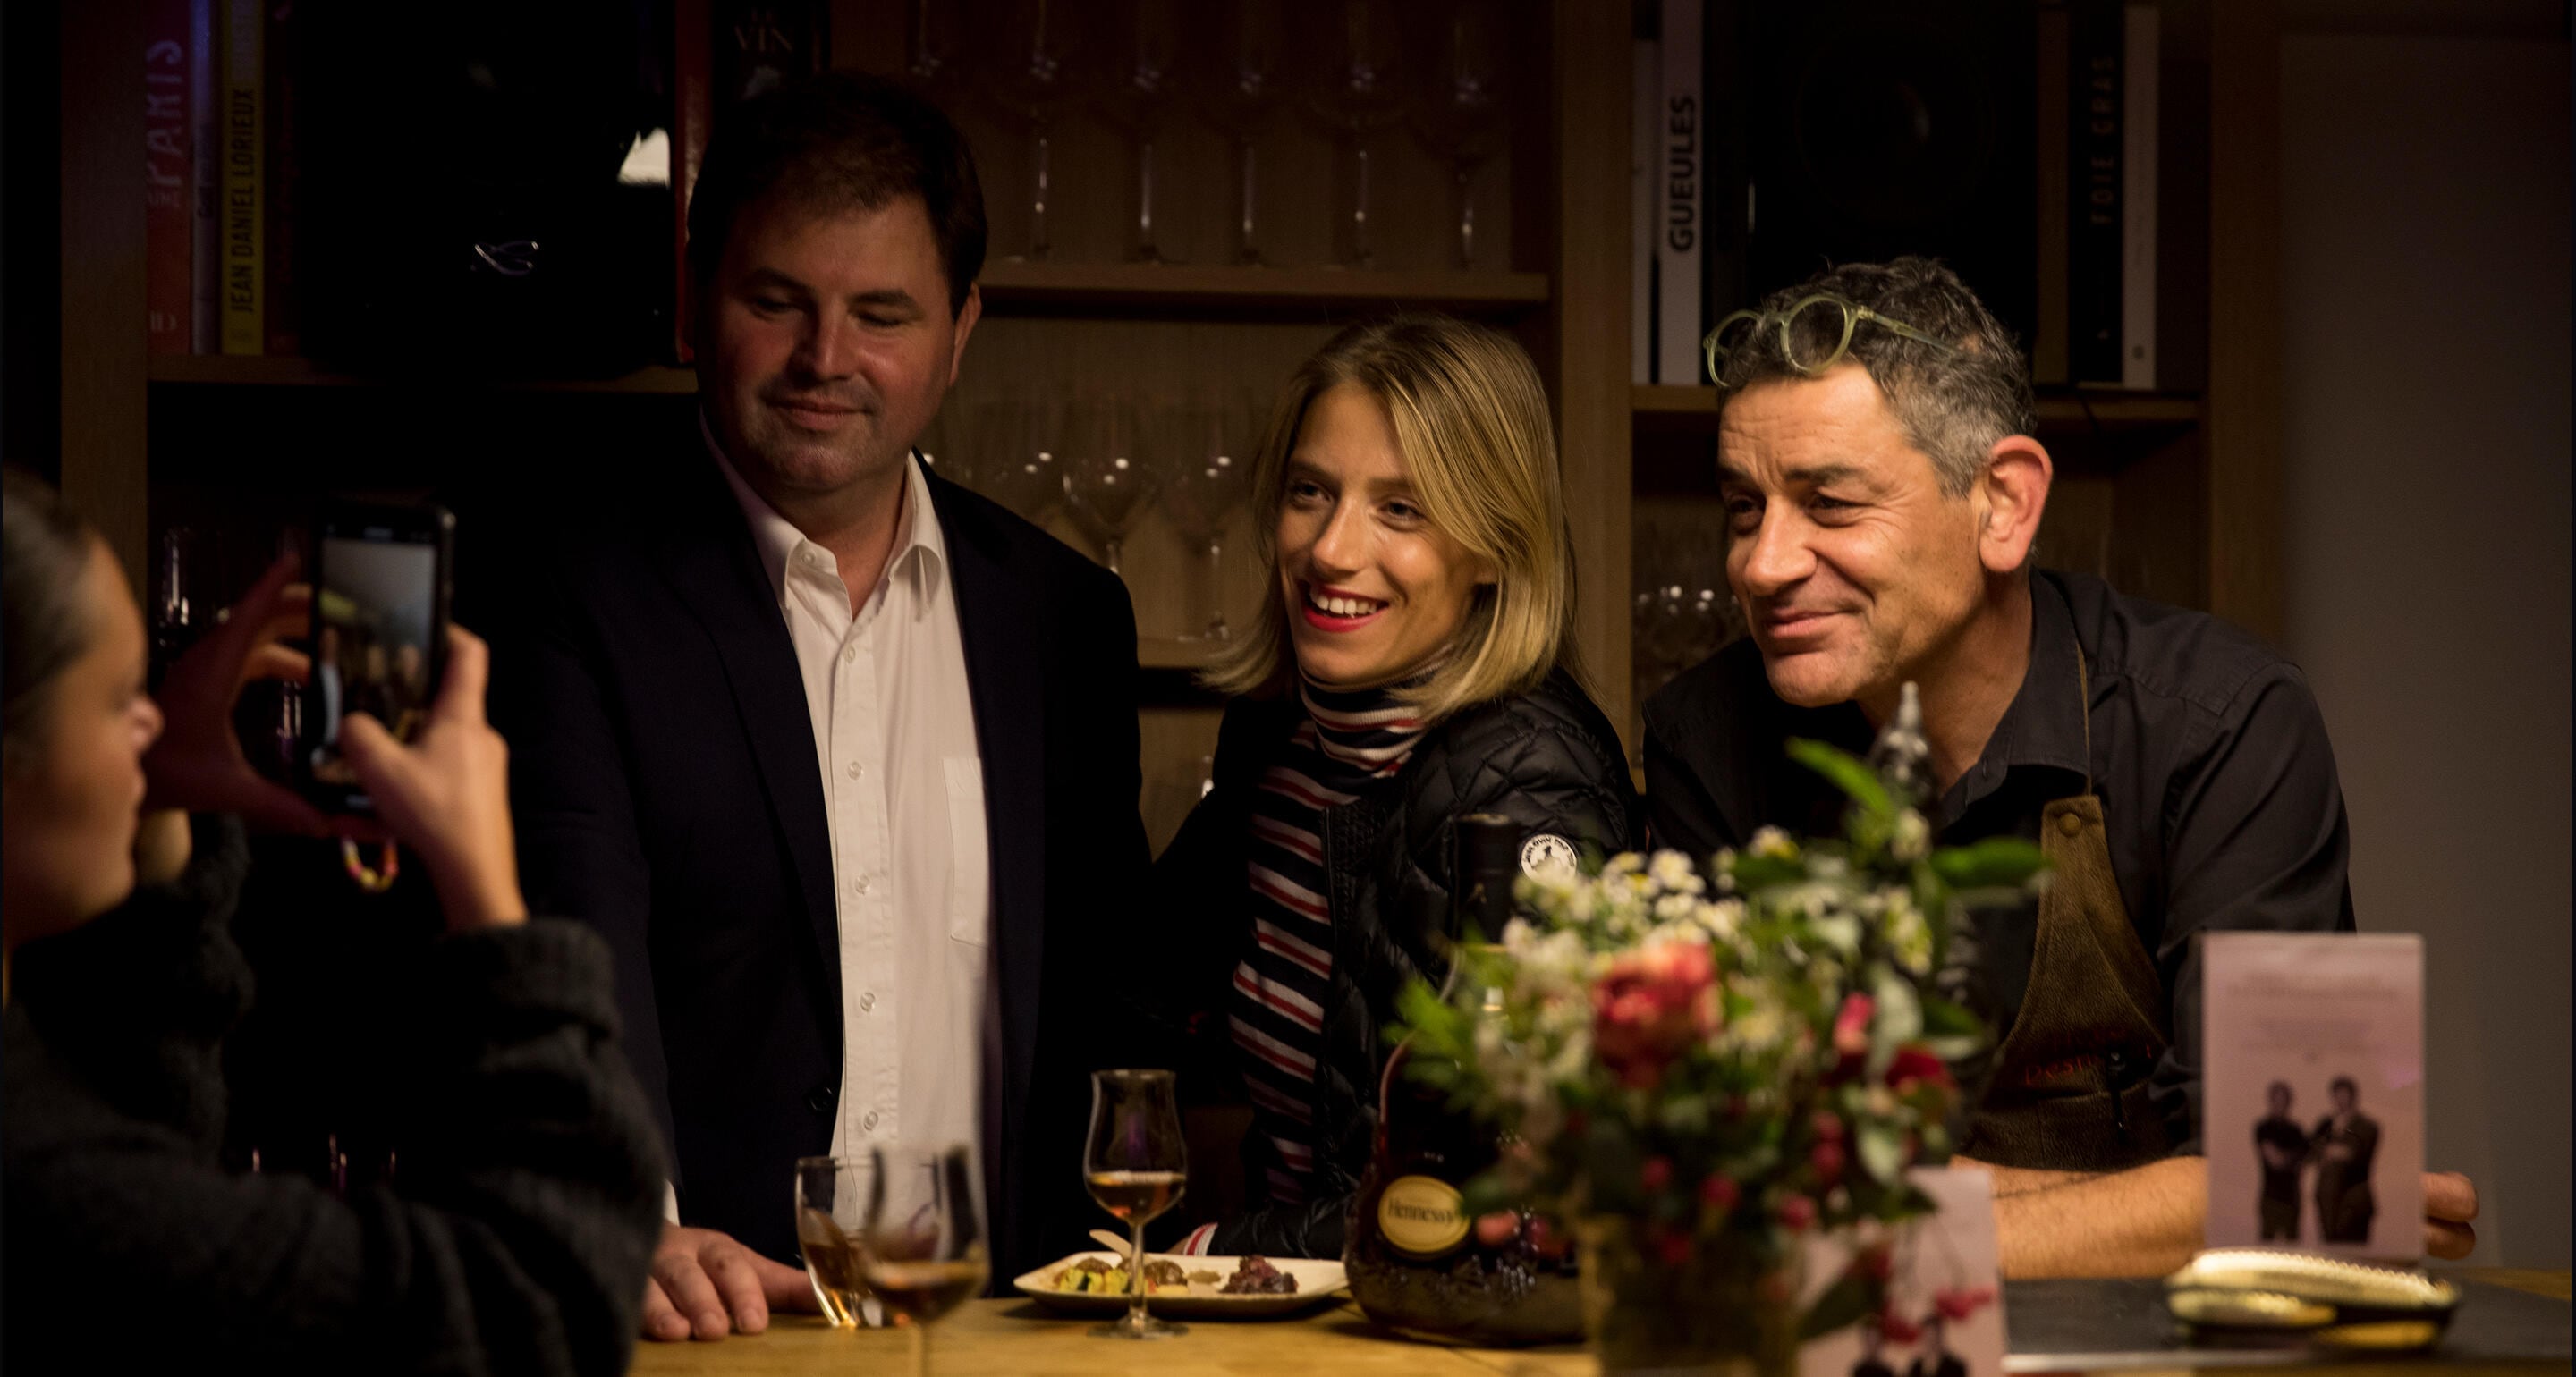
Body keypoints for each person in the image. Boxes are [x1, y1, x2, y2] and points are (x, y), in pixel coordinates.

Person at [1640, 258, 2479, 1276]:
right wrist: (2198, 1200)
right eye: (1744, 508)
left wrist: (1878, 1214)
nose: (1763, 564)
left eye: (1831, 503)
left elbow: (2302, 1205)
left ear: (2004, 504)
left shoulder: (2225, 723)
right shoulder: (1706, 738)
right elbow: (1712, 1173)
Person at [491, 73, 1148, 1339]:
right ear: (697, 299)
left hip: (1004, 1338)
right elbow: (573, 944)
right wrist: (629, 1218)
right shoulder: (569, 593)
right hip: (706, 1331)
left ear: (961, 330)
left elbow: (1111, 1009)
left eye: (881, 314)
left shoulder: (1064, 620)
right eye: (776, 302)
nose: (825, 360)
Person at [0, 469, 664, 1373]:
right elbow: (542, 1311)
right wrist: (487, 892)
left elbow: (142, 1166)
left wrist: (157, 819)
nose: (153, 724)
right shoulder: (42, 1183)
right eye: (123, 700)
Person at [1140, 315, 1640, 1258]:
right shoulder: (1280, 735)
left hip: (1424, 1317)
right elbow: (1138, 993)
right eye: (1310, 492)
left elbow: (1481, 1201)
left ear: (1495, 548)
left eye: (1401, 509)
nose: (1330, 549)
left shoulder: (1530, 785)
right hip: (1304, 1310)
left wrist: (1205, 1258)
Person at [2311, 1076, 2380, 1244]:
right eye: (2337, 1095)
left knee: (2354, 1253)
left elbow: (2352, 1152)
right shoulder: (2325, 1124)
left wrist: (2329, 1151)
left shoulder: (2367, 1126)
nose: (2341, 1100)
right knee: (2330, 1250)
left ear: (2353, 1096)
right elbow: (2311, 1152)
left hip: (2354, 1202)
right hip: (2327, 1203)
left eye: (2345, 1095)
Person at [2255, 1081, 2309, 1242]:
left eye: (2283, 1100)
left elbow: (2305, 1160)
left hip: (2292, 1198)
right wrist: (2294, 1156)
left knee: (2292, 1249)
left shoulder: (2296, 1130)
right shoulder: (2264, 1128)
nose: (2280, 1104)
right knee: (2267, 1249)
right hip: (2271, 1197)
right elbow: (2276, 1161)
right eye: (2277, 1099)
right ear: (2271, 1100)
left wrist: (2288, 1157)